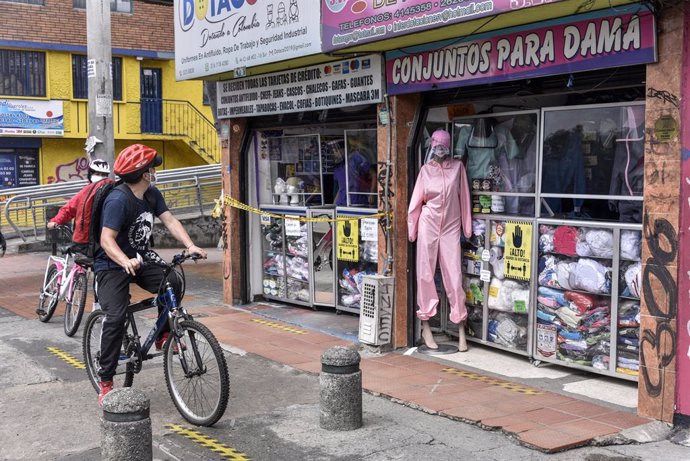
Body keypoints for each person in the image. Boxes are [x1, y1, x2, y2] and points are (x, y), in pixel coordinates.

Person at [95, 144, 207, 405]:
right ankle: (106, 379)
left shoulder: (151, 194)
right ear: (145, 173)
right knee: (115, 316)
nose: (155, 172)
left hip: (141, 258)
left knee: (173, 281)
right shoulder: (118, 200)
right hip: (112, 264)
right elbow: (106, 239)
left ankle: (162, 333)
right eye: (152, 168)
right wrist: (124, 261)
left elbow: (169, 220)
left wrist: (190, 246)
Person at [408, 129, 472, 352]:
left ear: (449, 146)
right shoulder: (426, 171)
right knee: (425, 274)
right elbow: (416, 202)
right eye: (437, 145)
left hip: (451, 227)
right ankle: (426, 325)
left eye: (444, 145)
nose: (440, 150)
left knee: (454, 277)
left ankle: (461, 329)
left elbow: (464, 197)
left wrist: (467, 226)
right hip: (429, 224)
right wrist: (412, 229)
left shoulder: (458, 168)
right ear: (432, 146)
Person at [47, 159, 111, 254]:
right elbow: (69, 209)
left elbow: (68, 209)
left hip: (86, 241)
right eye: (98, 174)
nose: (101, 178)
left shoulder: (86, 192)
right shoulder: (114, 189)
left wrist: (55, 221)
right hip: (108, 240)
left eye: (103, 175)